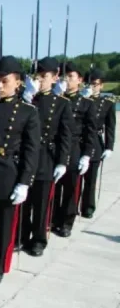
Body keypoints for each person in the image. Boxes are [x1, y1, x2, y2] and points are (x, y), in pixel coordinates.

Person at [0, 56, 39, 284]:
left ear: (18, 83)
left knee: (5, 227)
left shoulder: (27, 111)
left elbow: (31, 150)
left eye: (5, 81)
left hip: (8, 172)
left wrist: (25, 181)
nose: (0, 86)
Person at [17, 57, 72, 256]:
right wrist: (26, 99)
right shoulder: (25, 98)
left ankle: (39, 238)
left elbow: (65, 135)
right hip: (24, 156)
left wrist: (62, 161)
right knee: (24, 201)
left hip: (45, 157)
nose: (39, 81)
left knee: (40, 202)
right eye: (37, 76)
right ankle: (21, 235)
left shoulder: (60, 103)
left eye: (44, 76)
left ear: (55, 77)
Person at [51, 63, 96, 237]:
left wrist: (86, 154)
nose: (67, 80)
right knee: (54, 187)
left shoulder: (86, 103)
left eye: (71, 76)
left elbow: (90, 132)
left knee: (71, 188)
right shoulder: (57, 99)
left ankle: (67, 221)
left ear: (80, 80)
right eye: (64, 76)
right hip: (56, 147)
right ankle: (53, 218)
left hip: (74, 147)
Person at [79, 69, 114, 218]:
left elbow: (110, 126)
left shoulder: (107, 103)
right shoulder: (81, 100)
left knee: (91, 180)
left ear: (101, 86)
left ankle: (88, 206)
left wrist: (109, 146)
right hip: (79, 142)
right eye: (89, 84)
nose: (92, 88)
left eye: (95, 85)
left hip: (95, 143)